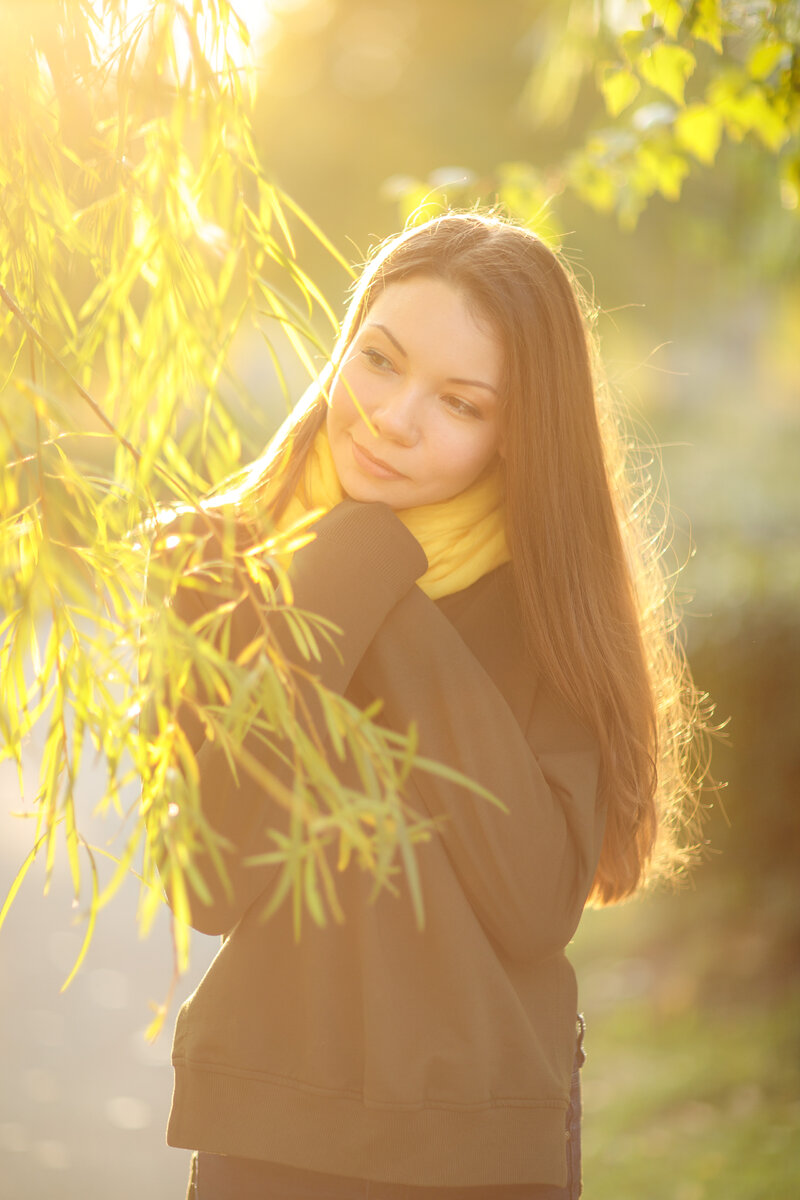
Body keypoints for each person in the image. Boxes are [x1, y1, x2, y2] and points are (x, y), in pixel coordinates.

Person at [140, 211, 707, 1199]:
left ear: (515, 433)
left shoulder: (549, 604)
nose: (392, 419)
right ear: (343, 345)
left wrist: (375, 570)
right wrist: (345, 561)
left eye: (458, 403)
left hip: (482, 1150)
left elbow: (534, 904)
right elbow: (210, 875)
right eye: (379, 360)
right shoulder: (221, 565)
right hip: (265, 1132)